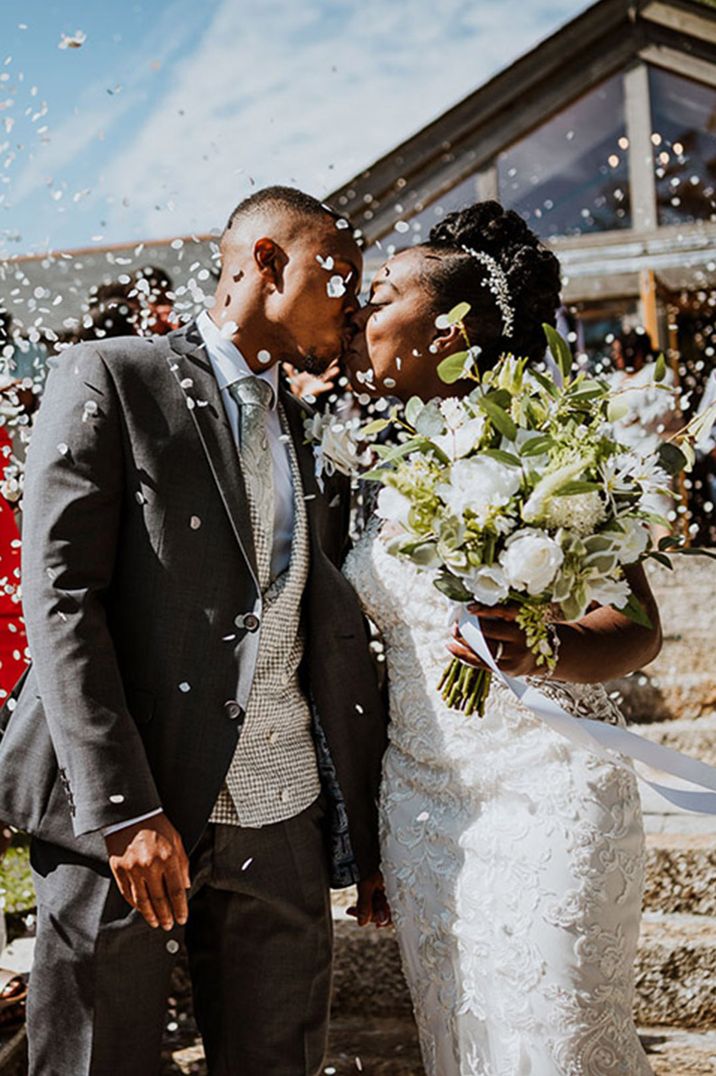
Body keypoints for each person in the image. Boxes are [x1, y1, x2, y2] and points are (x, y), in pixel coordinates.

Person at [0, 186, 388, 1076]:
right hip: (129, 819)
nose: (354, 301)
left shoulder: (312, 427)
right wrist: (124, 809)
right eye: (341, 276)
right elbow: (60, 598)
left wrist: (357, 830)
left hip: (282, 818)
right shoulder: (113, 375)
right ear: (265, 262)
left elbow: (317, 632)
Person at [342, 201, 662, 1075]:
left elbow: (636, 630)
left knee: (554, 1048)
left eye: (380, 294)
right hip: (420, 806)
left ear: (450, 329)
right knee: (464, 1048)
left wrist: (536, 647)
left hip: (547, 790)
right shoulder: (373, 453)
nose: (360, 311)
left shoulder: (551, 445)